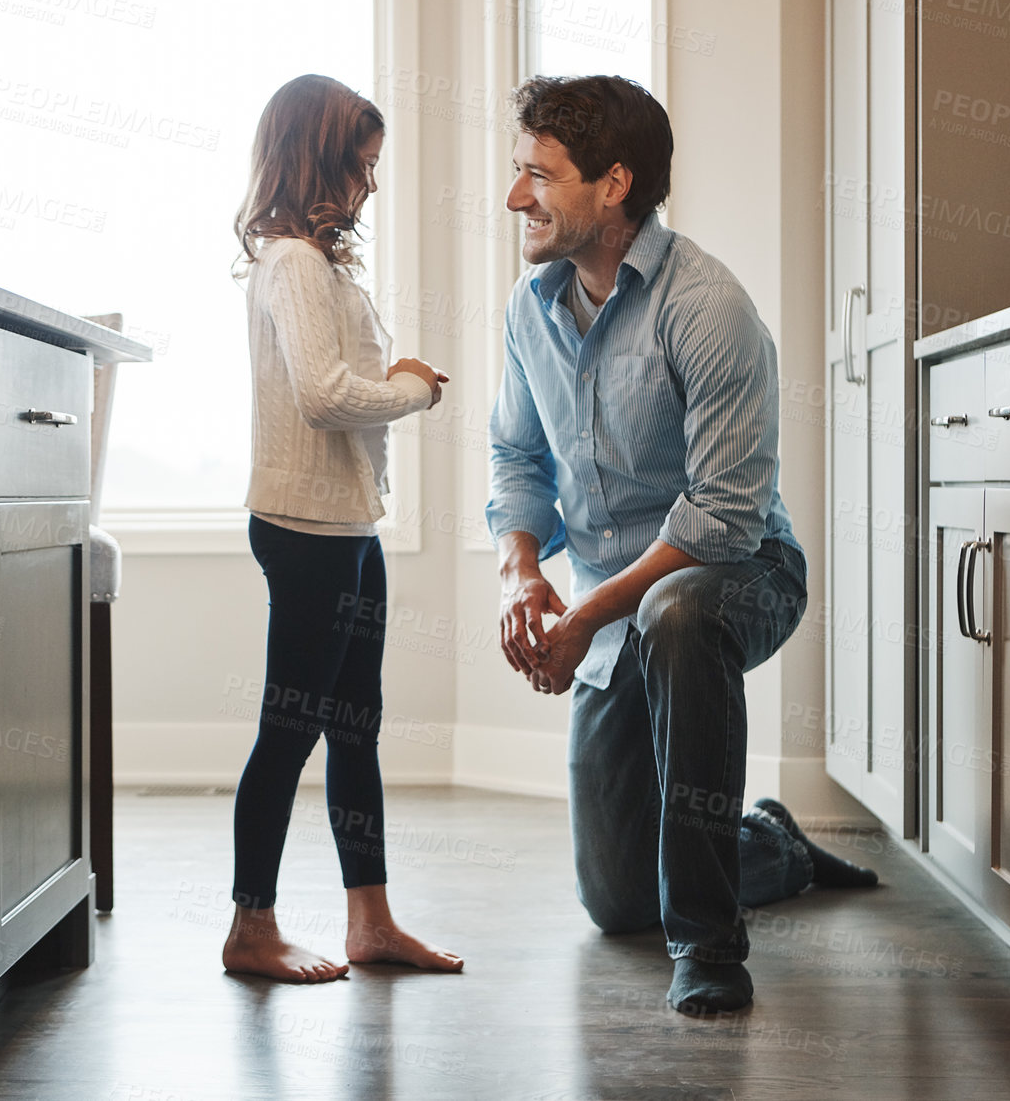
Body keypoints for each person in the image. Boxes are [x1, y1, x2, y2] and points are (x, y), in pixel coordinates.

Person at [486, 75, 876, 1015]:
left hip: (740, 576)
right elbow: (515, 453)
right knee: (617, 902)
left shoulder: (706, 307)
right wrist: (521, 570)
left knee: (677, 609)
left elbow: (719, 521)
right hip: (616, 611)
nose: (515, 198)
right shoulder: (529, 307)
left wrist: (581, 613)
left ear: (613, 186)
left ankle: (709, 947)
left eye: (538, 176)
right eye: (517, 172)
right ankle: (770, 845)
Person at [222, 74, 464, 984]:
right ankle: (251, 928)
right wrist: (415, 386)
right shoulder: (290, 264)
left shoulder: (313, 265)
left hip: (344, 525)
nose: (366, 186)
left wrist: (395, 380)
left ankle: (371, 923)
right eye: (358, 167)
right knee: (291, 728)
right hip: (306, 527)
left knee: (354, 724)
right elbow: (324, 397)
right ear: (314, 161)